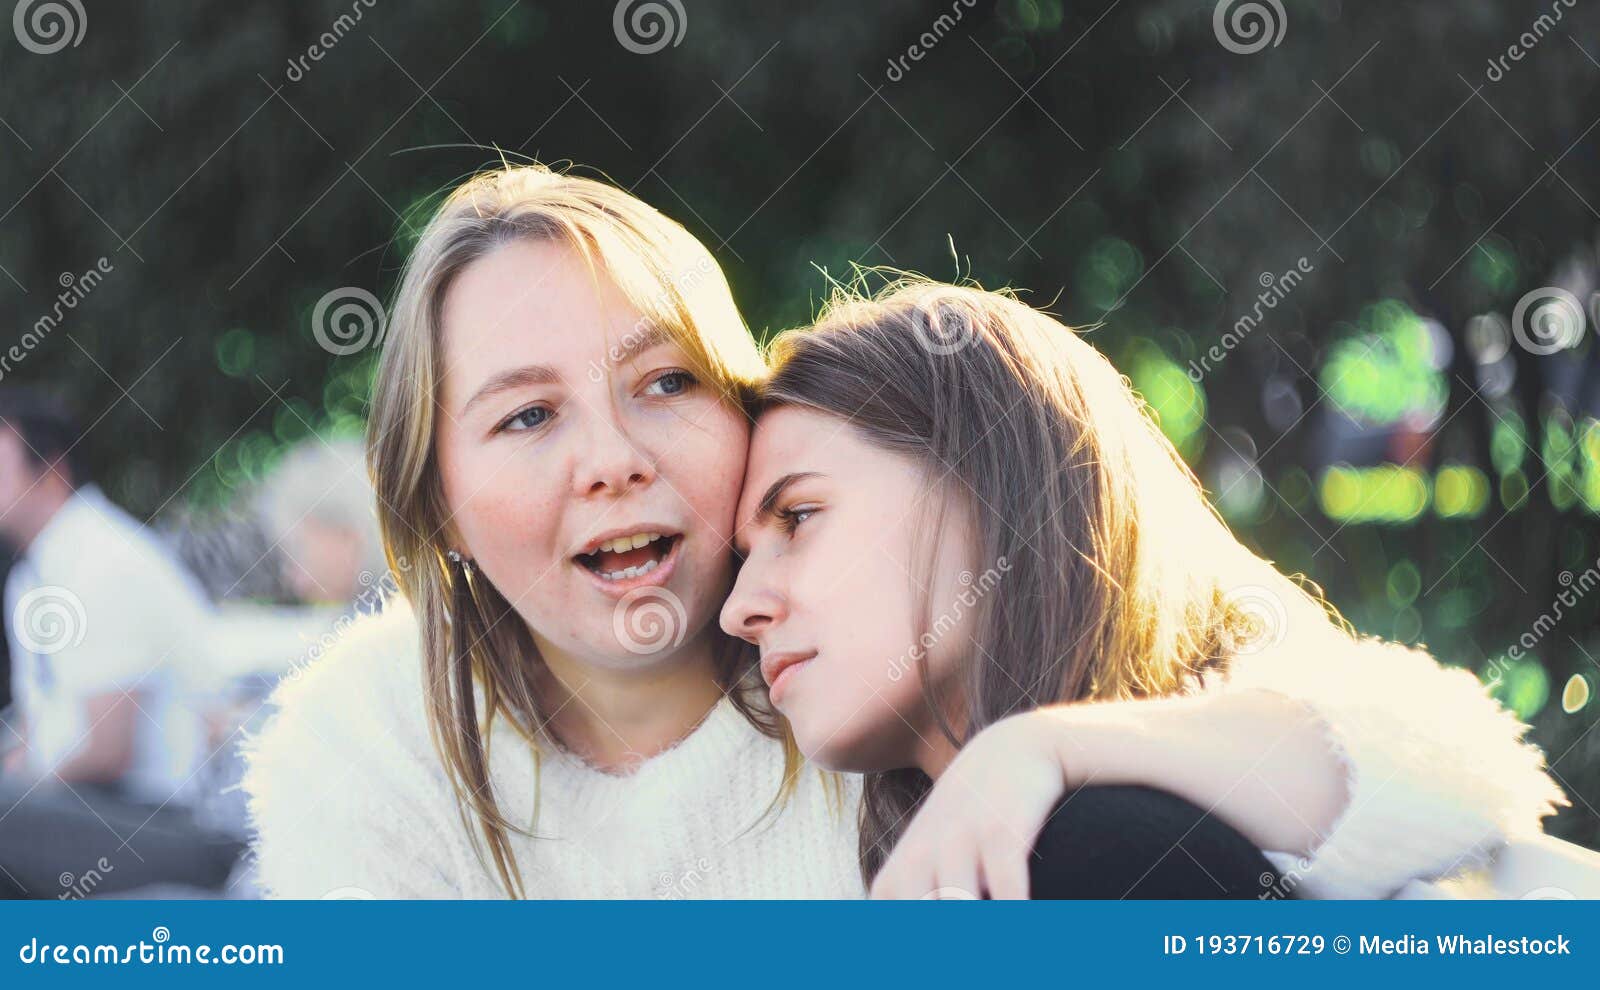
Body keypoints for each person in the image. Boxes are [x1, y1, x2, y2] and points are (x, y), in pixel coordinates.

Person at [244, 165, 1560, 900]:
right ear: (439, 512)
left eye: (664, 383)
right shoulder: (370, 752)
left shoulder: (861, 670)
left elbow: (1435, 753)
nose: (614, 456)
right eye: (527, 418)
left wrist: (1043, 747)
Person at [721, 279, 1565, 898]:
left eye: (797, 516)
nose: (739, 608)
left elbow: (1437, 770)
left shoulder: (1109, 850)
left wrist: (1038, 748)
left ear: (989, 488)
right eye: (742, 556)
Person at [0, 388, 243, 897]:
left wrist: (23, 784)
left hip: (168, 822)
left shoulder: (102, 560)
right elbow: (36, 726)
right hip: (97, 808)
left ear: (51, 470)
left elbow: (108, 751)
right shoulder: (36, 574)